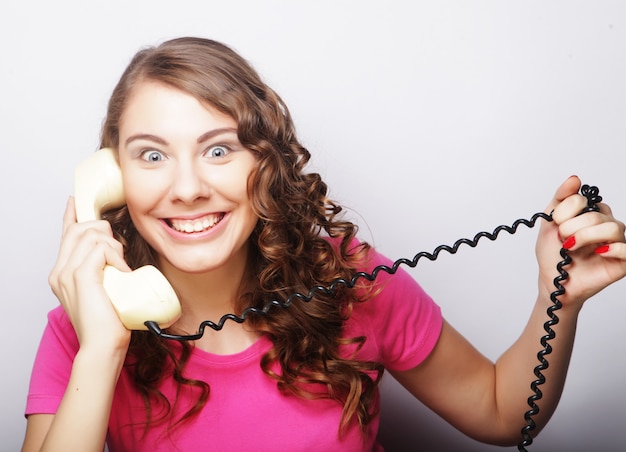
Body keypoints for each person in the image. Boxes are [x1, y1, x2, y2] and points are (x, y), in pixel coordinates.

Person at [21, 37, 626, 452]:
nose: (187, 188)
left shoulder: (352, 281)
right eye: (152, 155)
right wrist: (100, 349)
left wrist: (558, 300)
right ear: (110, 176)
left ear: (267, 163)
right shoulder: (80, 331)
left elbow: (500, 411)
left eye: (219, 149)